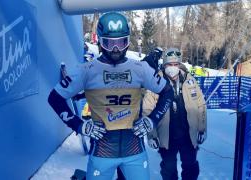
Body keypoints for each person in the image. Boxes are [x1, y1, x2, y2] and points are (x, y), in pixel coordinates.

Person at [48, 12, 174, 180]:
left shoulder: (140, 69)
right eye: (109, 43)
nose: (116, 49)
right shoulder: (86, 70)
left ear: (128, 41)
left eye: (121, 42)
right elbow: (54, 98)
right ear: (100, 42)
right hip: (102, 153)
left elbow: (168, 92)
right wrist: (79, 125)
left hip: (134, 152)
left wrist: (152, 120)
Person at [143, 47, 207, 180]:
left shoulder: (190, 81)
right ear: (164, 65)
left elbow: (200, 105)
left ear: (179, 65)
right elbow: (147, 109)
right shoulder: (156, 81)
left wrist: (202, 129)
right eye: (169, 65)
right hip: (167, 135)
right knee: (169, 168)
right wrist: (151, 135)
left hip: (188, 134)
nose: (172, 67)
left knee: (190, 166)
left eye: (175, 64)